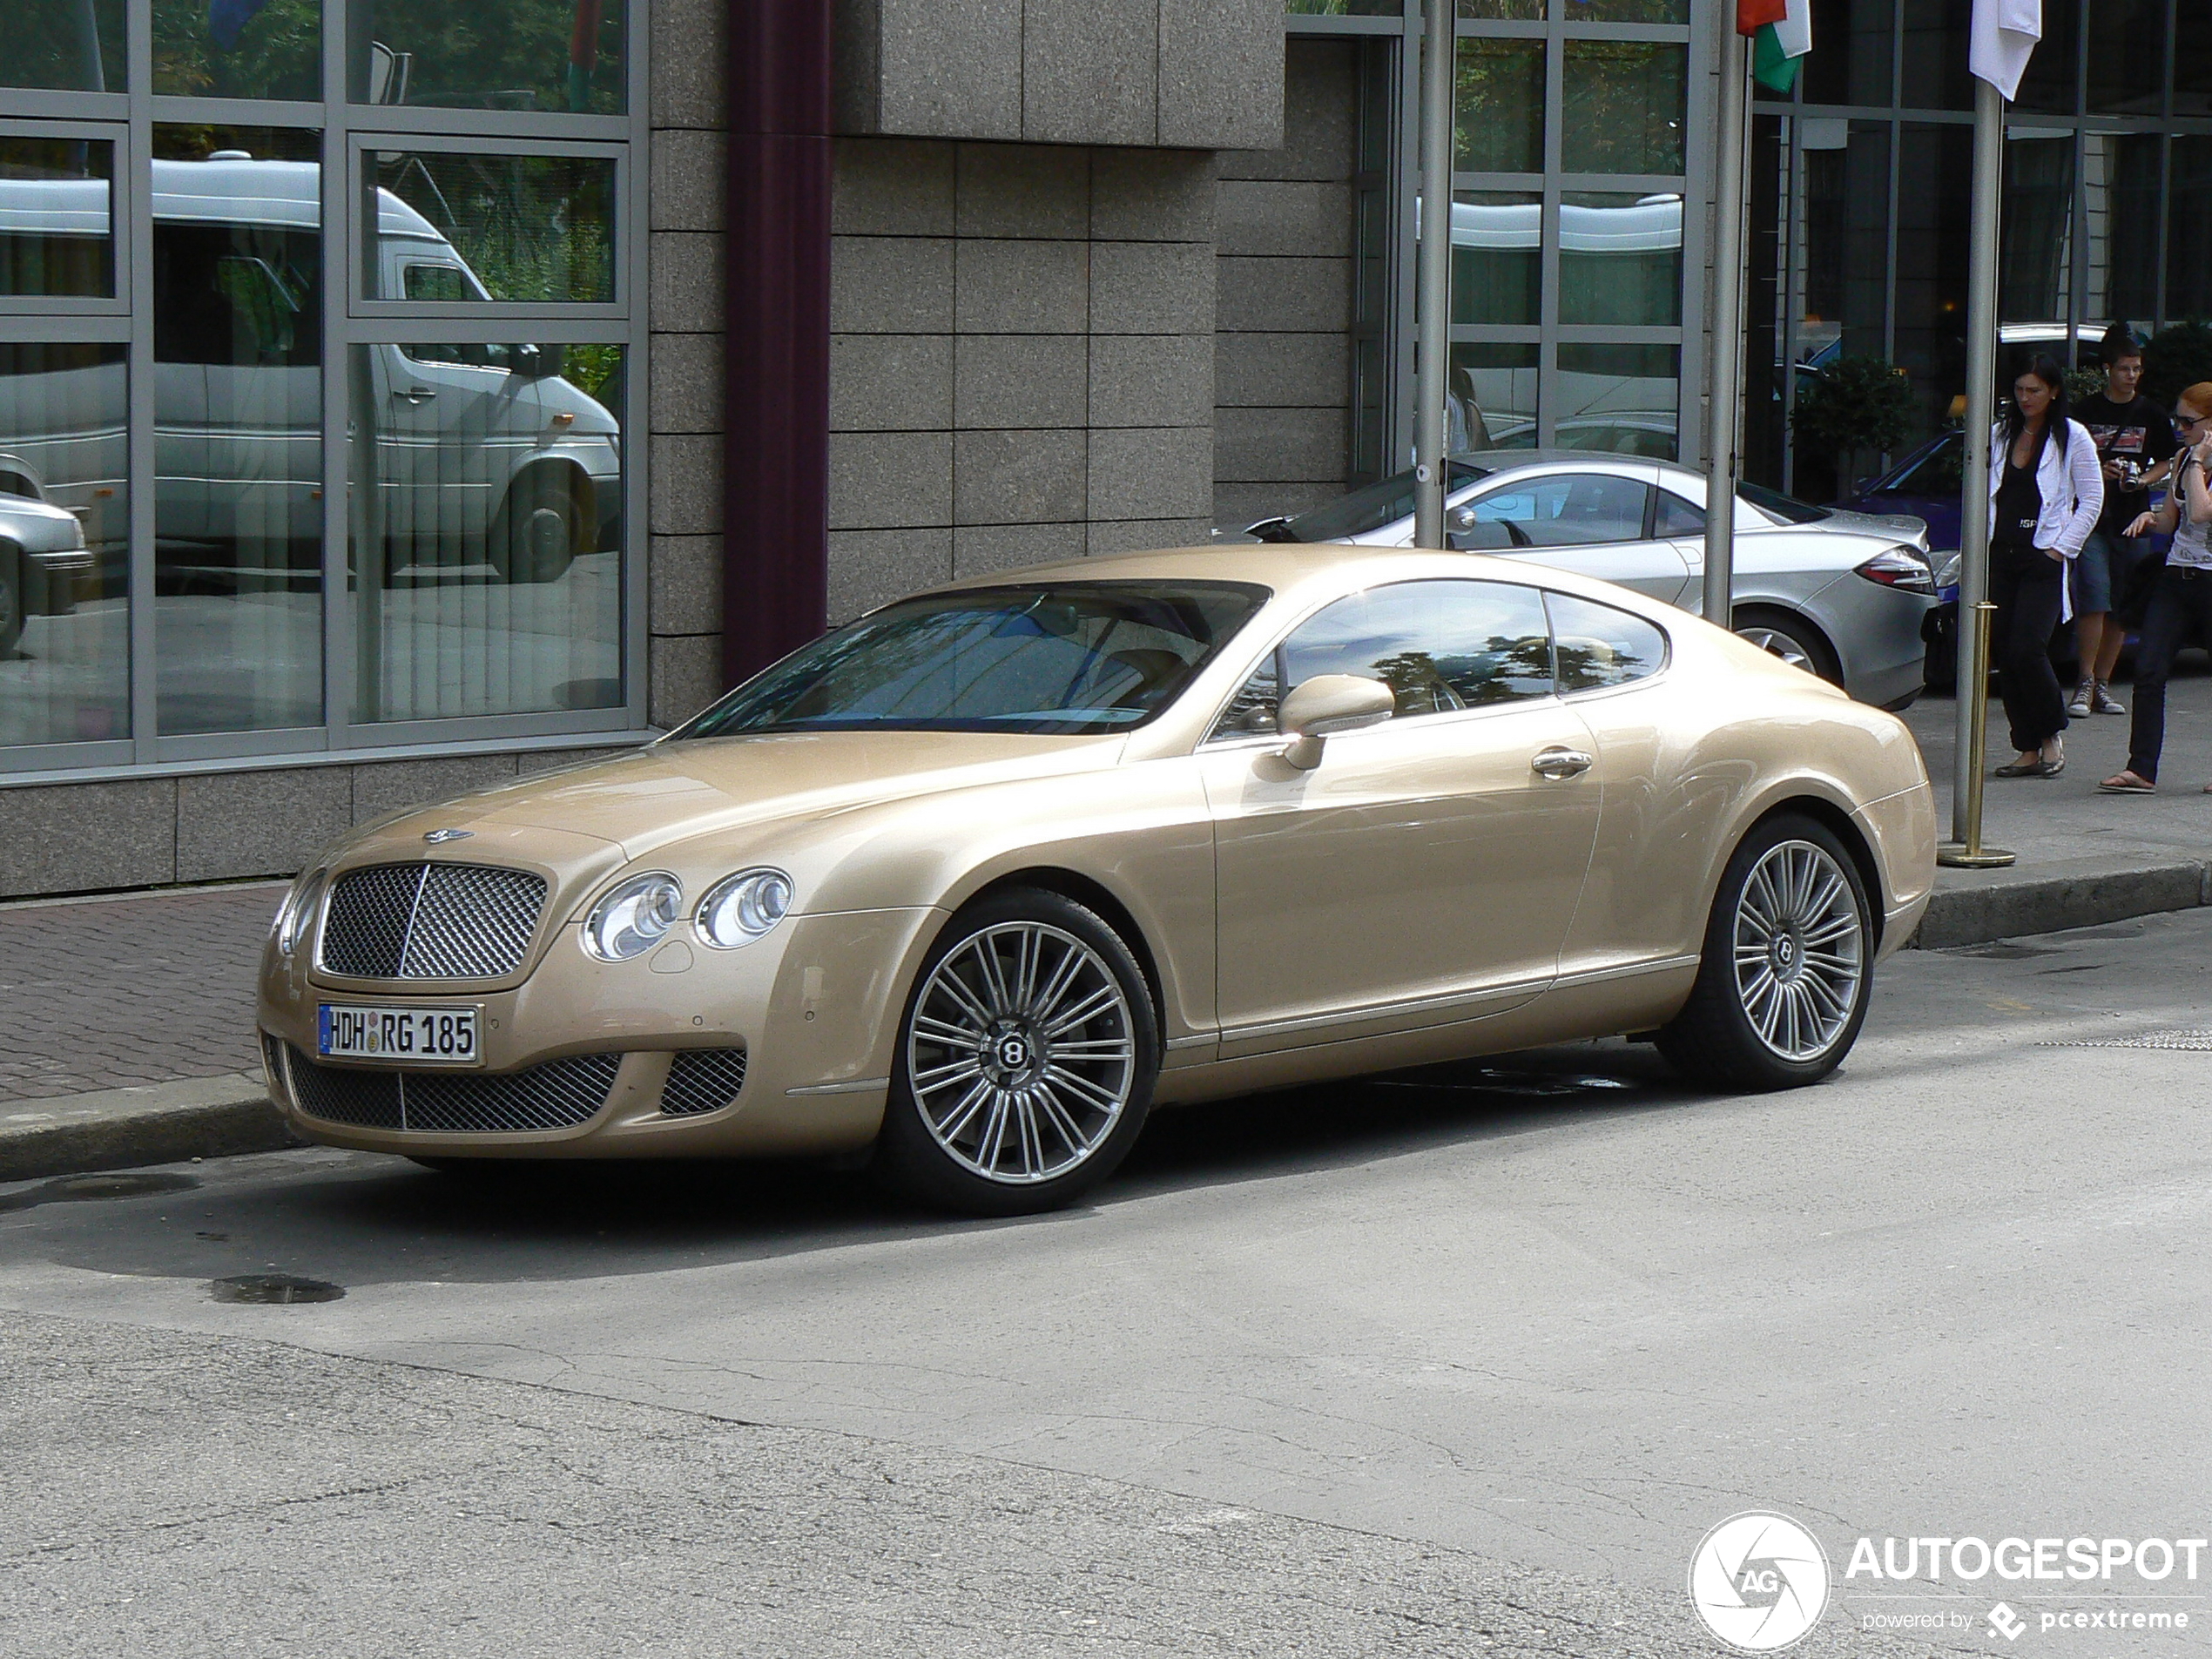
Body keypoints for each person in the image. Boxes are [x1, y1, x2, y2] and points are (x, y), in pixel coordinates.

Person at [1987, 355, 2103, 779]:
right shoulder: (2002, 434)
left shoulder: (2073, 437)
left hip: (2043, 556)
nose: (2025, 398)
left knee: (2028, 648)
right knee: (2004, 651)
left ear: (2053, 391)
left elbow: (2091, 499)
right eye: (2019, 390)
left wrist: (2061, 550)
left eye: (2034, 390)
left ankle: (2052, 732)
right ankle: (2027, 746)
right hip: (2002, 555)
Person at [2097, 382, 2212, 794]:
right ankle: (2141, 768)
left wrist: (2199, 461)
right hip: (2177, 573)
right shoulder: (2183, 459)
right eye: (2177, 419)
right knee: (2148, 669)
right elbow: (2174, 518)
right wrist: (2149, 516)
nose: (2179, 428)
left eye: (2188, 421)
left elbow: (2201, 511)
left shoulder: (2193, 461)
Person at [2068, 324, 2178, 717]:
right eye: (2125, 368)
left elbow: (2167, 459)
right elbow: (2067, 459)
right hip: (2094, 515)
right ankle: (2083, 681)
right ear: (2108, 370)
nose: (2132, 375)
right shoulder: (2084, 413)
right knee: (2095, 596)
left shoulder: (2151, 413)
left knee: (2122, 604)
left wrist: (2142, 480)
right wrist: (2100, 469)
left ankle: (2102, 683)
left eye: (2137, 369)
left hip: (2134, 517)